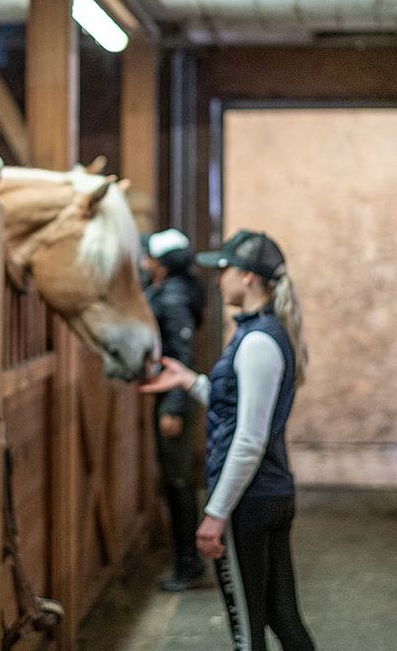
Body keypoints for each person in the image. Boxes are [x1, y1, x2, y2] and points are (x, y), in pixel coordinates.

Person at [141, 230, 315, 651]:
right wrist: (193, 382)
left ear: (249, 278)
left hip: (249, 501)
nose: (218, 280)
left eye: (225, 270)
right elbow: (239, 406)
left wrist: (216, 513)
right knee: (282, 617)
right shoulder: (265, 331)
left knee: (246, 632)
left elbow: (250, 438)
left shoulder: (256, 341)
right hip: (269, 493)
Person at [141, 229, 206, 591]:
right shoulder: (171, 290)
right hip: (169, 395)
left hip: (173, 398)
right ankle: (186, 559)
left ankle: (188, 562)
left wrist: (175, 408)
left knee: (178, 480)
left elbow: (184, 357)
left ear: (162, 264)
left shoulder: (174, 297)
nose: (144, 262)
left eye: (150, 257)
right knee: (175, 479)